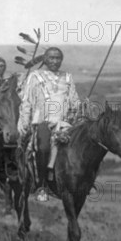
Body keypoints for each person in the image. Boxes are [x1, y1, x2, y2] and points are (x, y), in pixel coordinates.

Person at [17, 47, 81, 202]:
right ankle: (42, 184)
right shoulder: (35, 76)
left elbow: (74, 101)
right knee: (44, 146)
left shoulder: (67, 77)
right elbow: (27, 102)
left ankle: (82, 182)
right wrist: (25, 124)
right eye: (51, 58)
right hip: (43, 122)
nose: (55, 61)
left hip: (65, 122)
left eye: (58, 58)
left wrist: (78, 109)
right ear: (45, 59)